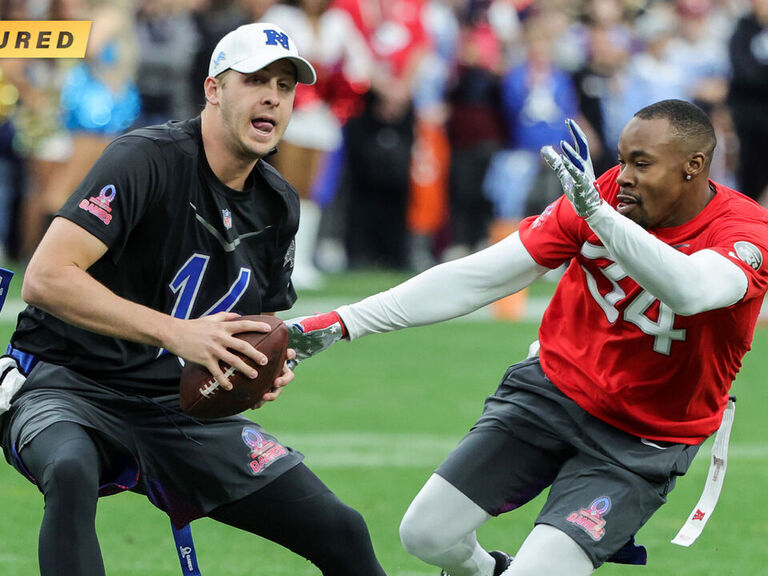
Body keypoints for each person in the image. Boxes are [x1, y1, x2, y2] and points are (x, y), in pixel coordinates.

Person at [286, 99, 768, 575]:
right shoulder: (601, 197)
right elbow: (478, 277)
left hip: (642, 438)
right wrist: (344, 321)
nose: (623, 177)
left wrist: (601, 217)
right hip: (552, 393)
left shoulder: (743, 231)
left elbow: (690, 290)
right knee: (426, 534)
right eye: (621, 160)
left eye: (642, 164)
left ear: (694, 166)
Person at [0, 22, 386, 576]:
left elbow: (258, 323)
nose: (273, 97)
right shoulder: (144, 159)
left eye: (285, 85)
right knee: (68, 470)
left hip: (176, 405)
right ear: (213, 89)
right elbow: (46, 277)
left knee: (342, 530)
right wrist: (175, 333)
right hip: (66, 382)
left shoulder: (278, 203)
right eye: (255, 80)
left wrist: (260, 365)